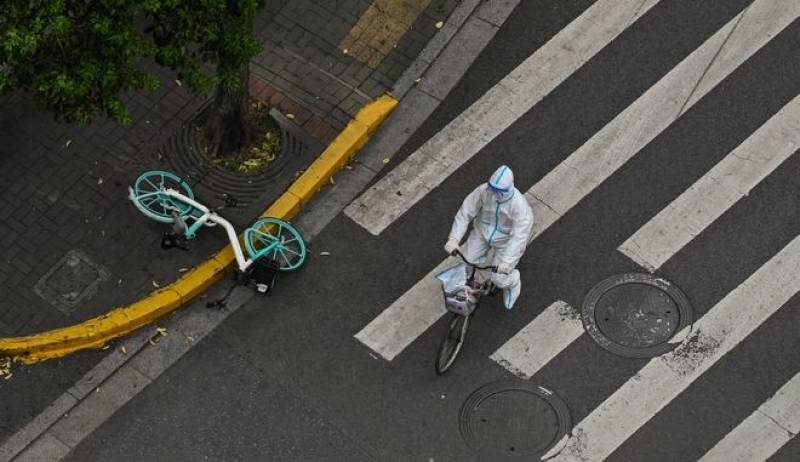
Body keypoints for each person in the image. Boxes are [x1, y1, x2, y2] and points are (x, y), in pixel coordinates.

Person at [444, 165, 534, 310]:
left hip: (505, 241)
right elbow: (465, 211)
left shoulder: (519, 207)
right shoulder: (484, 191)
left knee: (499, 279)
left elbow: (519, 238)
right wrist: (454, 239)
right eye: (492, 188)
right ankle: (464, 288)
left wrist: (506, 261)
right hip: (482, 232)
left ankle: (513, 281)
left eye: (498, 190)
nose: (493, 192)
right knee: (464, 261)